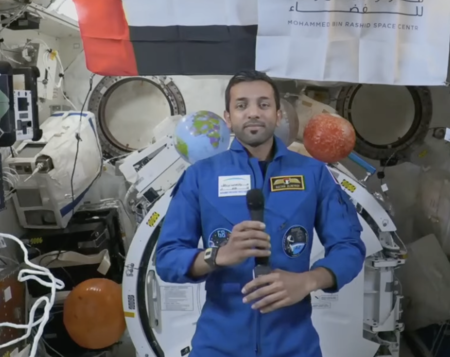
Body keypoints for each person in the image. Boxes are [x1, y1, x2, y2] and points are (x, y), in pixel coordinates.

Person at [155, 70, 366, 357]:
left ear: (278, 115)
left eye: (263, 104)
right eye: (241, 105)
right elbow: (167, 258)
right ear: (228, 118)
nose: (253, 112)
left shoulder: (313, 174)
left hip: (295, 346)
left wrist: (308, 281)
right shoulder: (200, 177)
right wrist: (217, 255)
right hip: (217, 346)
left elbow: (349, 247)